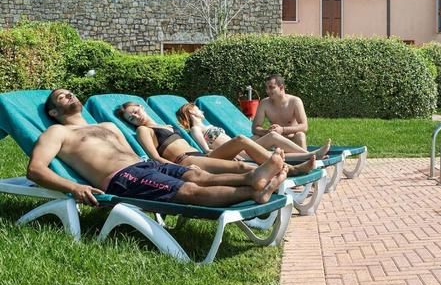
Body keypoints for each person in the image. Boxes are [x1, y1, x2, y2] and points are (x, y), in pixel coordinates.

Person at [27, 89, 287, 207]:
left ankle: (253, 180)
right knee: (190, 190)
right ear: (53, 111)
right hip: (122, 178)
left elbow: (131, 150)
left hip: (146, 165)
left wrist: (161, 162)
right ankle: (254, 190)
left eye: (70, 92)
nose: (69, 95)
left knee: (198, 174)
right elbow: (35, 170)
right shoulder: (57, 132)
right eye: (62, 97)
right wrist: (74, 187)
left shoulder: (107, 125)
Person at [116, 102, 322, 177]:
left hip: (200, 155)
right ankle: (291, 168)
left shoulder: (166, 125)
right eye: (130, 118)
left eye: (135, 112)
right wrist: (180, 171)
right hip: (186, 161)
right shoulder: (143, 131)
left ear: (141, 107)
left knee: (241, 141)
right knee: (242, 161)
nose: (135, 117)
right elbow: (154, 159)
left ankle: (286, 166)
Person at [175, 102, 330, 163]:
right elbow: (207, 151)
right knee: (274, 137)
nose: (201, 110)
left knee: (274, 148)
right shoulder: (196, 129)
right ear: (192, 113)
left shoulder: (205, 125)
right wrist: (230, 155)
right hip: (239, 152)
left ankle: (312, 156)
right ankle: (311, 155)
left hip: (242, 147)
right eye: (197, 109)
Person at [252, 75, 309, 149]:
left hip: (291, 139)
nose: (268, 91)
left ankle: (306, 157)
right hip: (273, 140)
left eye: (271, 87)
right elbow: (255, 128)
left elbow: (304, 126)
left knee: (300, 135)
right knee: (254, 138)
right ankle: (243, 158)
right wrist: (268, 132)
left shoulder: (295, 101)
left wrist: (282, 130)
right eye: (266, 88)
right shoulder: (264, 103)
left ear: (281, 87)